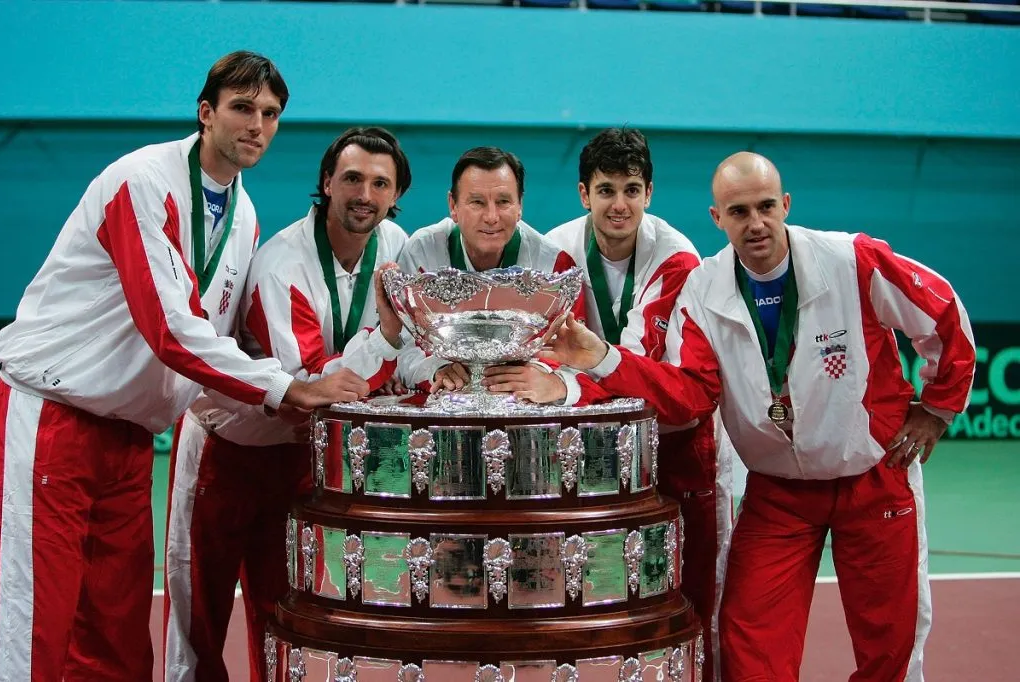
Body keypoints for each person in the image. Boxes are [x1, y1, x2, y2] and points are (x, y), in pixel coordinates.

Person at [0, 52, 367, 682]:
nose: (257, 125)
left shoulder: (243, 215)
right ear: (206, 113)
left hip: (132, 435)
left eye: (271, 113)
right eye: (242, 108)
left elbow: (212, 338)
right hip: (56, 418)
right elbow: (170, 329)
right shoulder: (141, 181)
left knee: (115, 632)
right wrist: (287, 387)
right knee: (35, 619)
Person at [541, 152, 976, 682]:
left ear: (786, 204)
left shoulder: (849, 260)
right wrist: (604, 360)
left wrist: (937, 408)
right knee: (750, 641)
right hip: (779, 494)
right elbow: (691, 395)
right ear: (716, 218)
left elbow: (942, 311)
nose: (756, 223)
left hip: (873, 477)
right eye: (739, 211)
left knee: (890, 643)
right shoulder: (703, 291)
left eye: (766, 206)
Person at [163, 127, 411, 682]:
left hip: (300, 462)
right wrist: (387, 343)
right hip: (226, 452)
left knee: (286, 616)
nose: (364, 195)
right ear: (326, 182)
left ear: (396, 196)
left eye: (379, 183)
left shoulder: (399, 251)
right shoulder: (282, 264)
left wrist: (408, 356)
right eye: (351, 178)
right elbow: (306, 388)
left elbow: (404, 354)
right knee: (197, 617)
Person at [545, 127, 730, 682]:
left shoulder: (679, 259)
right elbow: (554, 359)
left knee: (696, 598)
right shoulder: (559, 252)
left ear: (649, 193)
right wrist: (577, 371)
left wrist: (584, 366)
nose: (619, 204)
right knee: (586, 600)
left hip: (676, 445)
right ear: (584, 194)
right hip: (594, 451)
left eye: (631, 189)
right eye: (606, 190)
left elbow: (653, 372)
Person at [397, 146, 586, 404]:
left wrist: (547, 377)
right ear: (453, 205)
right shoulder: (422, 254)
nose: (491, 217)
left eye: (503, 202)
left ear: (520, 205)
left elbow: (578, 355)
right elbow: (400, 346)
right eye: (477, 202)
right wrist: (434, 369)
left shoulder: (553, 264)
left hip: (519, 408)